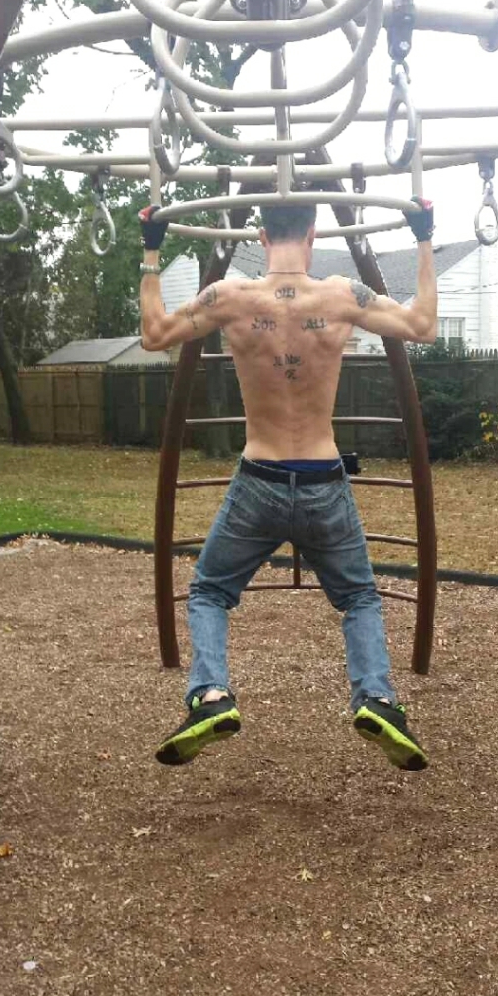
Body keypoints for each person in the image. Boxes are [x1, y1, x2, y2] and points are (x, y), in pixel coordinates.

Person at [138, 193, 437, 771]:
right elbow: (422, 324)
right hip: (324, 479)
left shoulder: (231, 298)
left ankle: (211, 695)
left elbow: (154, 334)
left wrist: (151, 251)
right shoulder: (340, 296)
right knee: (359, 598)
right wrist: (423, 238)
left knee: (209, 592)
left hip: (260, 479)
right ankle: (377, 699)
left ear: (260, 237)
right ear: (313, 234)